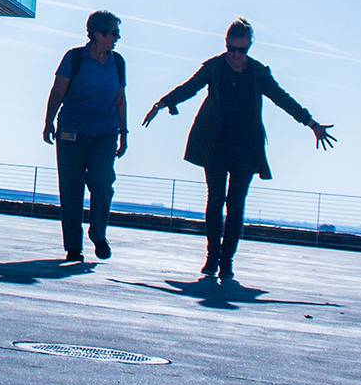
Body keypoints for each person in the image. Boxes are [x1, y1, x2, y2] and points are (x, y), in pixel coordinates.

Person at [142, 18, 334, 281]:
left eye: (241, 50)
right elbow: (189, 88)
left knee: (236, 203)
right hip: (215, 143)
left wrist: (311, 123)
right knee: (215, 199)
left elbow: (283, 99)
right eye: (231, 49)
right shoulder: (214, 67)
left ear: (249, 47)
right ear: (226, 44)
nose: (235, 55)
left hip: (246, 147)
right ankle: (212, 257)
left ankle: (227, 261)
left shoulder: (258, 73)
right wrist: (162, 103)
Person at [43, 10, 127, 262]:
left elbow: (120, 99)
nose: (117, 38)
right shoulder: (75, 58)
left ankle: (98, 234)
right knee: (71, 189)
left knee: (103, 184)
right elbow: (58, 91)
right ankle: (73, 247)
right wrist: (48, 121)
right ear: (97, 34)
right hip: (72, 131)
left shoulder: (118, 62)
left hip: (105, 133)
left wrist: (124, 133)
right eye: (113, 33)